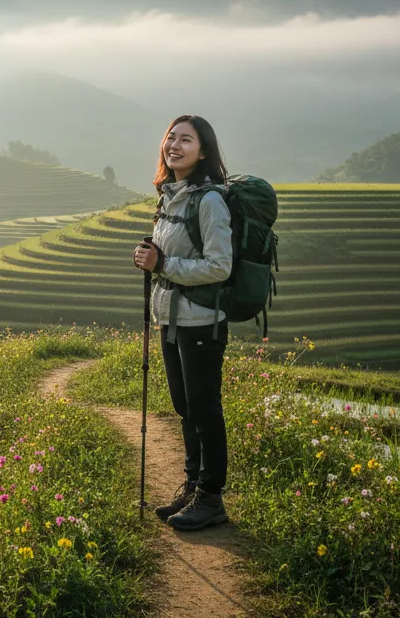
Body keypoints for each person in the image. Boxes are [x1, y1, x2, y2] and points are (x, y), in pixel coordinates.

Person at [132, 114, 233, 532]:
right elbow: (169, 260)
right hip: (171, 319)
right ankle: (192, 486)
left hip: (201, 322)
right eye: (170, 138)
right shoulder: (169, 196)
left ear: (203, 151)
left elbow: (220, 266)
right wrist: (150, 260)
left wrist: (165, 263)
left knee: (204, 409)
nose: (174, 145)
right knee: (184, 406)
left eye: (186, 140)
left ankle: (211, 498)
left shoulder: (208, 201)